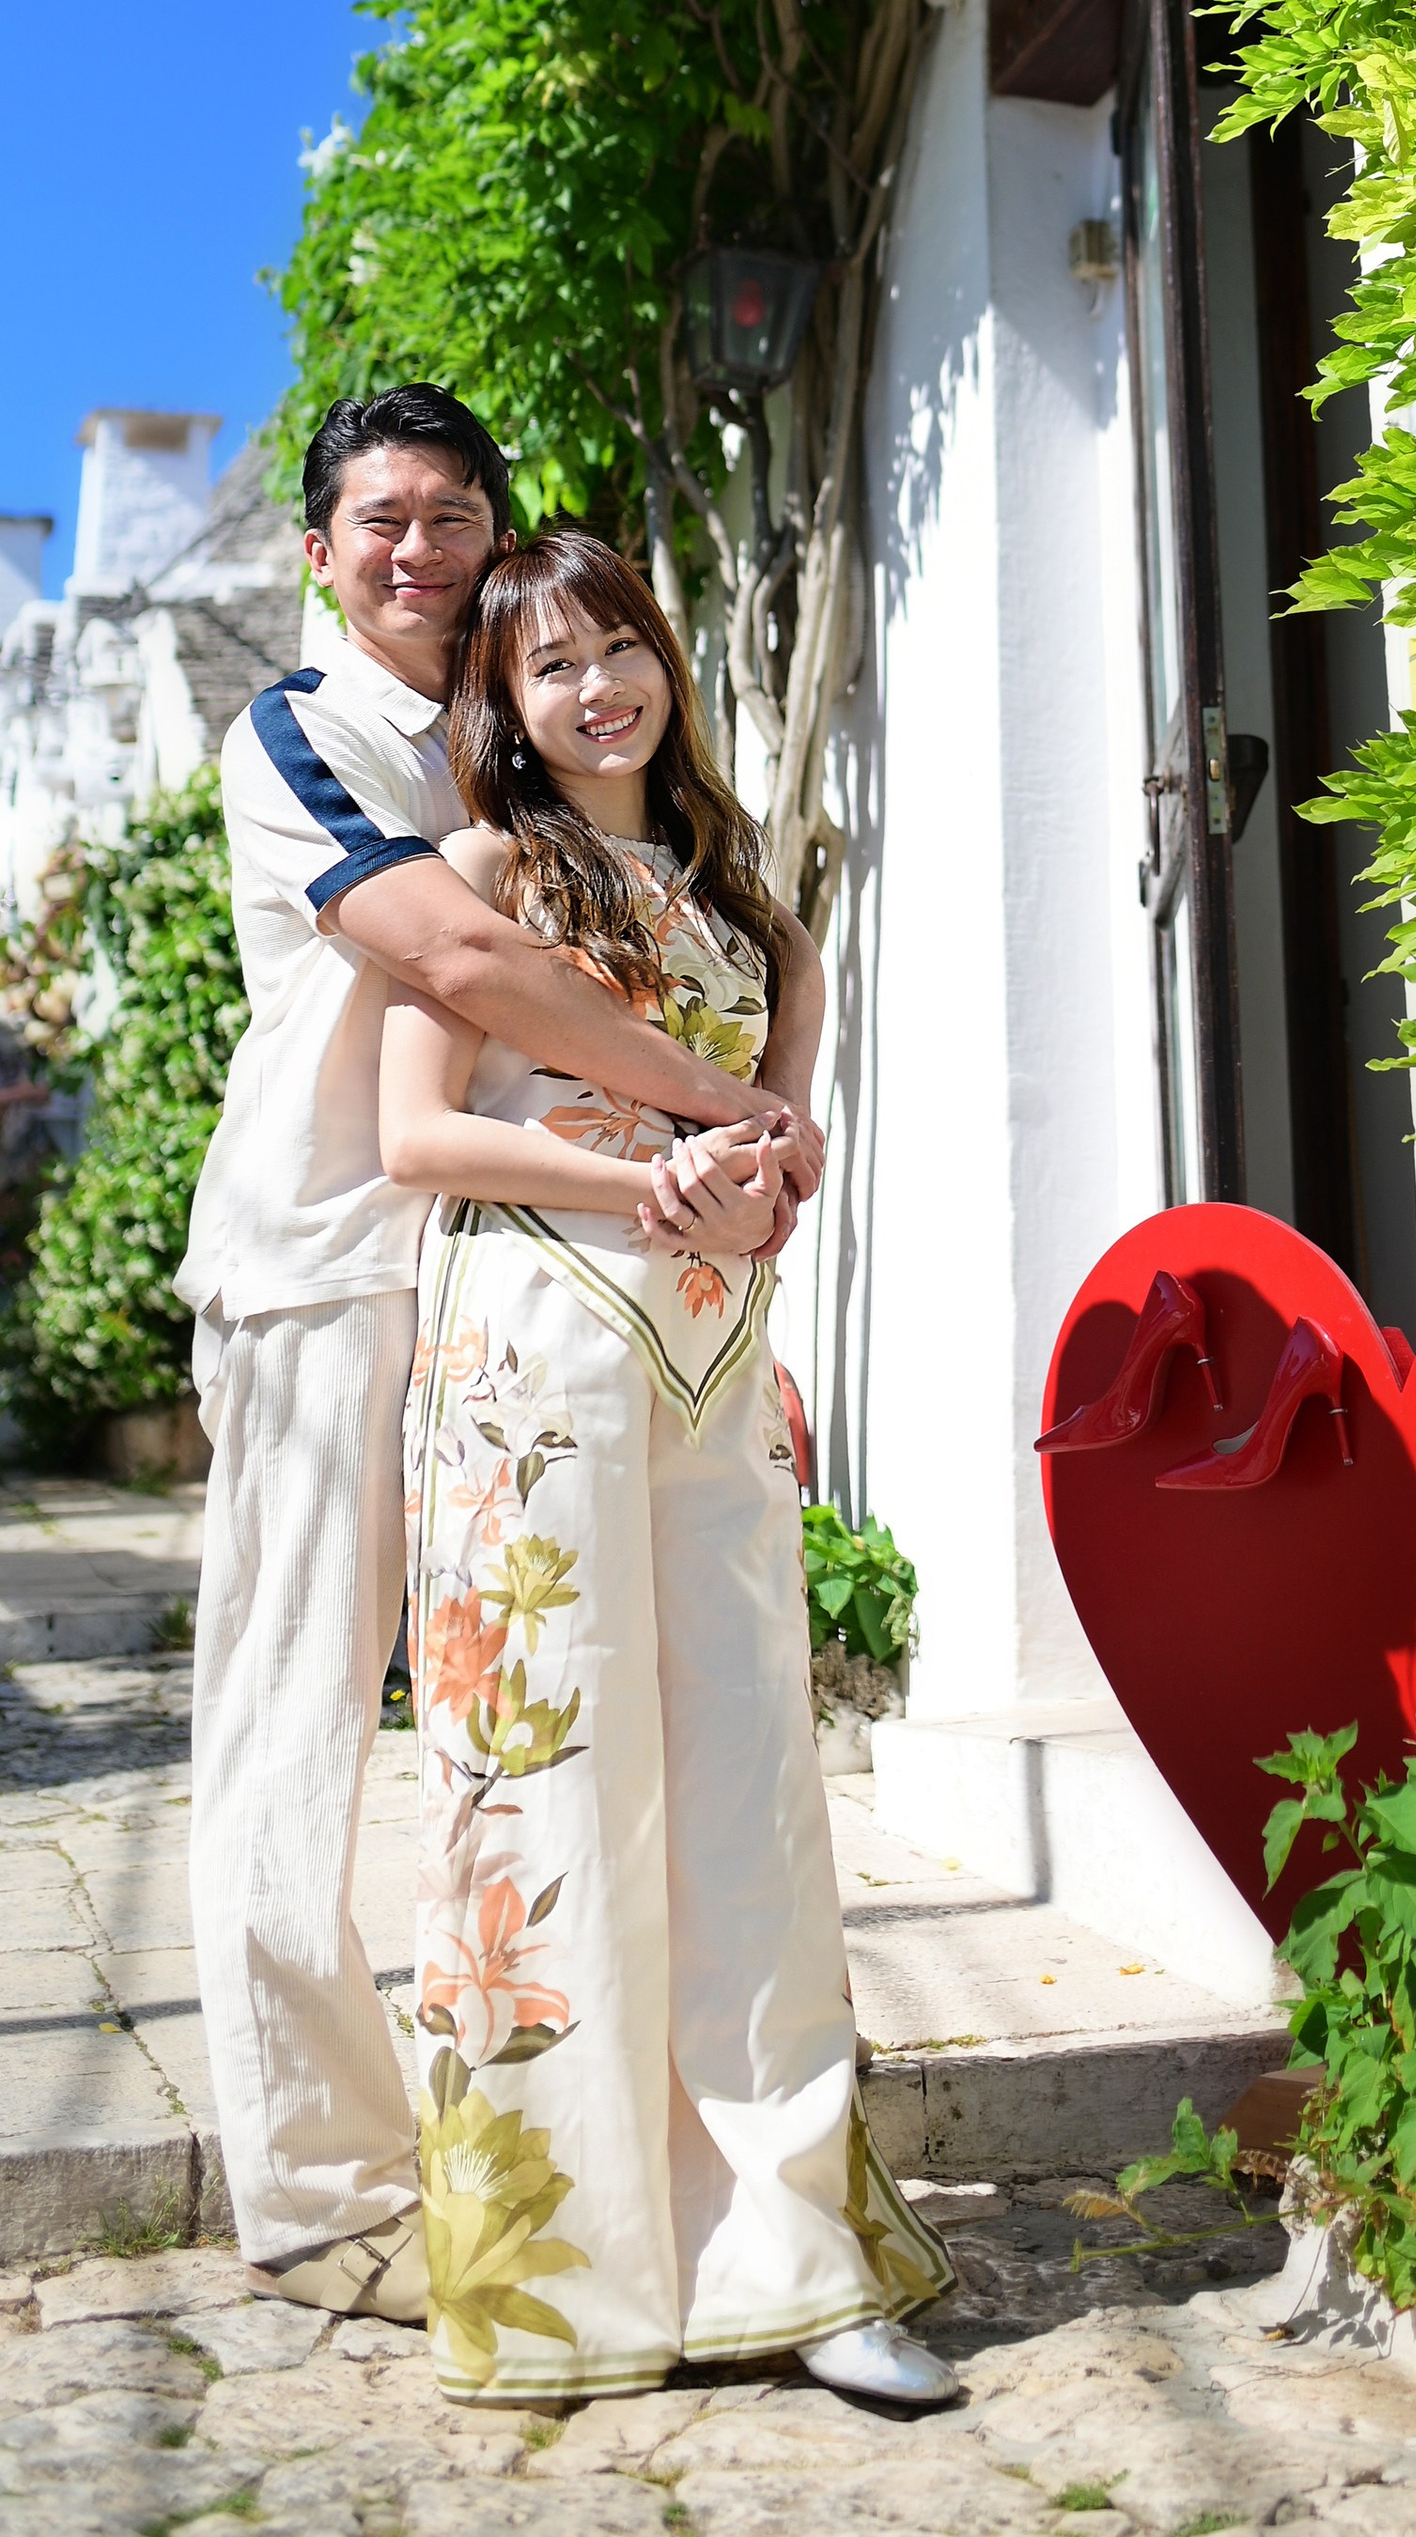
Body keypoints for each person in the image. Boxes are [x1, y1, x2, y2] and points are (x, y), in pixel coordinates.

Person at [183, 389, 821, 2324]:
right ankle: (319, 2187)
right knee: (296, 1731)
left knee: (528, 1734)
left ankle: (578, 2147)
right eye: (379, 519)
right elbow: (466, 972)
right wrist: (744, 1106)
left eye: (454, 516)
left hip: (530, 1294)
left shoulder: (515, 736)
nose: (418, 549)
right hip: (326, 1273)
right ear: (320, 552)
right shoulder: (303, 731)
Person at [377, 527, 957, 2413]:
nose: (598, 684)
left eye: (621, 642)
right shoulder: (468, 880)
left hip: (711, 1375)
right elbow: (413, 1140)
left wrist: (751, 1182)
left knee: (747, 1798)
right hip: (522, 1376)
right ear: (510, 708)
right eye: (553, 665)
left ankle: (795, 2262)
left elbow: (792, 1175)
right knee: (544, 1799)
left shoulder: (753, 909)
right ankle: (563, 2276)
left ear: (665, 662)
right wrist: (644, 1176)